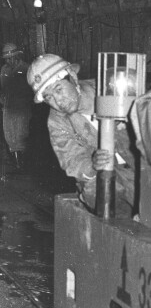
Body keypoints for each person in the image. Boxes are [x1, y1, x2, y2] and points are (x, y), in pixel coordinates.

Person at [26, 53, 137, 214]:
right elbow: (71, 159)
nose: (58, 101)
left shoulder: (110, 90)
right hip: (110, 177)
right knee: (95, 191)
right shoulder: (56, 122)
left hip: (140, 167)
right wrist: (92, 164)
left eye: (59, 89)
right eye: (49, 98)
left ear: (73, 78)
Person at [0, 42, 33, 168]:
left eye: (12, 58)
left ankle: (25, 162)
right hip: (8, 107)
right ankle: (17, 163)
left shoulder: (26, 68)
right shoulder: (4, 70)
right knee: (9, 134)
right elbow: (2, 87)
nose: (9, 61)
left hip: (22, 107)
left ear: (17, 56)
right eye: (7, 59)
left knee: (22, 133)